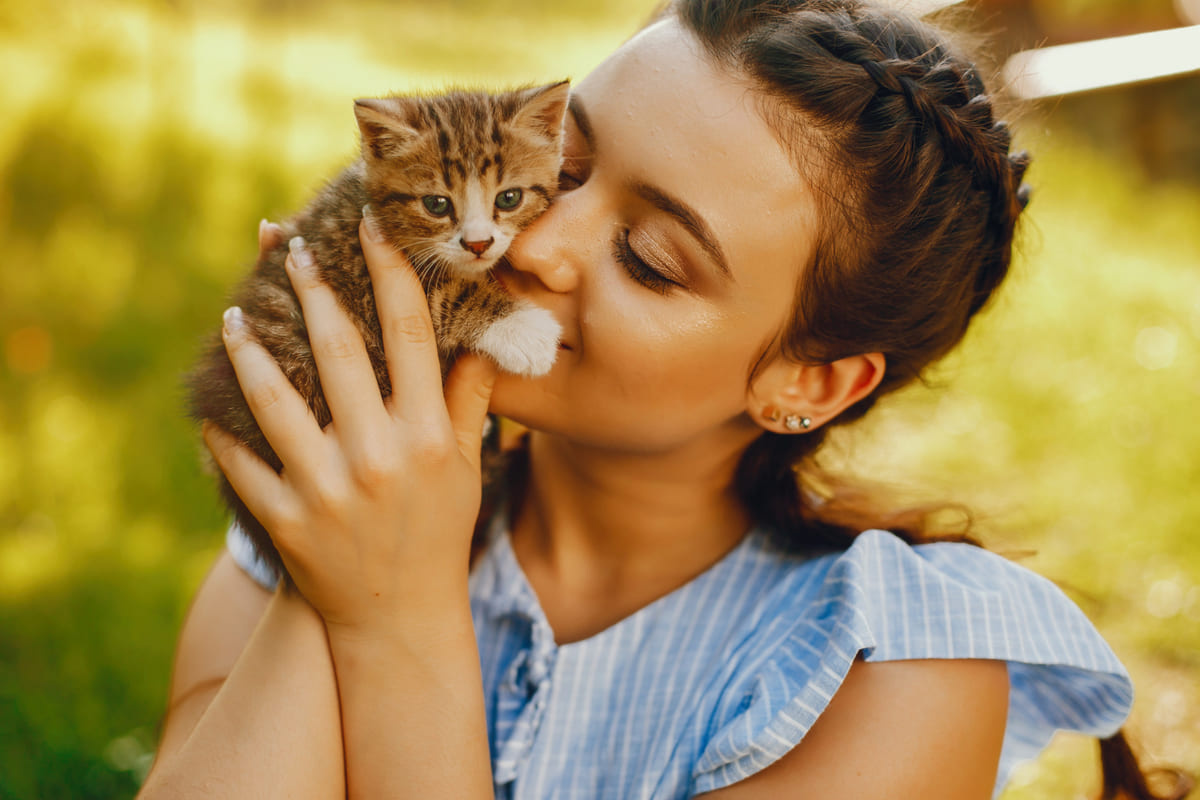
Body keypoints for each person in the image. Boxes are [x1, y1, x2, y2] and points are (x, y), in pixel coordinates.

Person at [139, 1, 1186, 798]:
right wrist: (340, 501)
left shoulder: (896, 674)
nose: (530, 245)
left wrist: (392, 615)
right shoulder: (332, 518)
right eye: (561, 162)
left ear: (807, 382)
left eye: (647, 258)